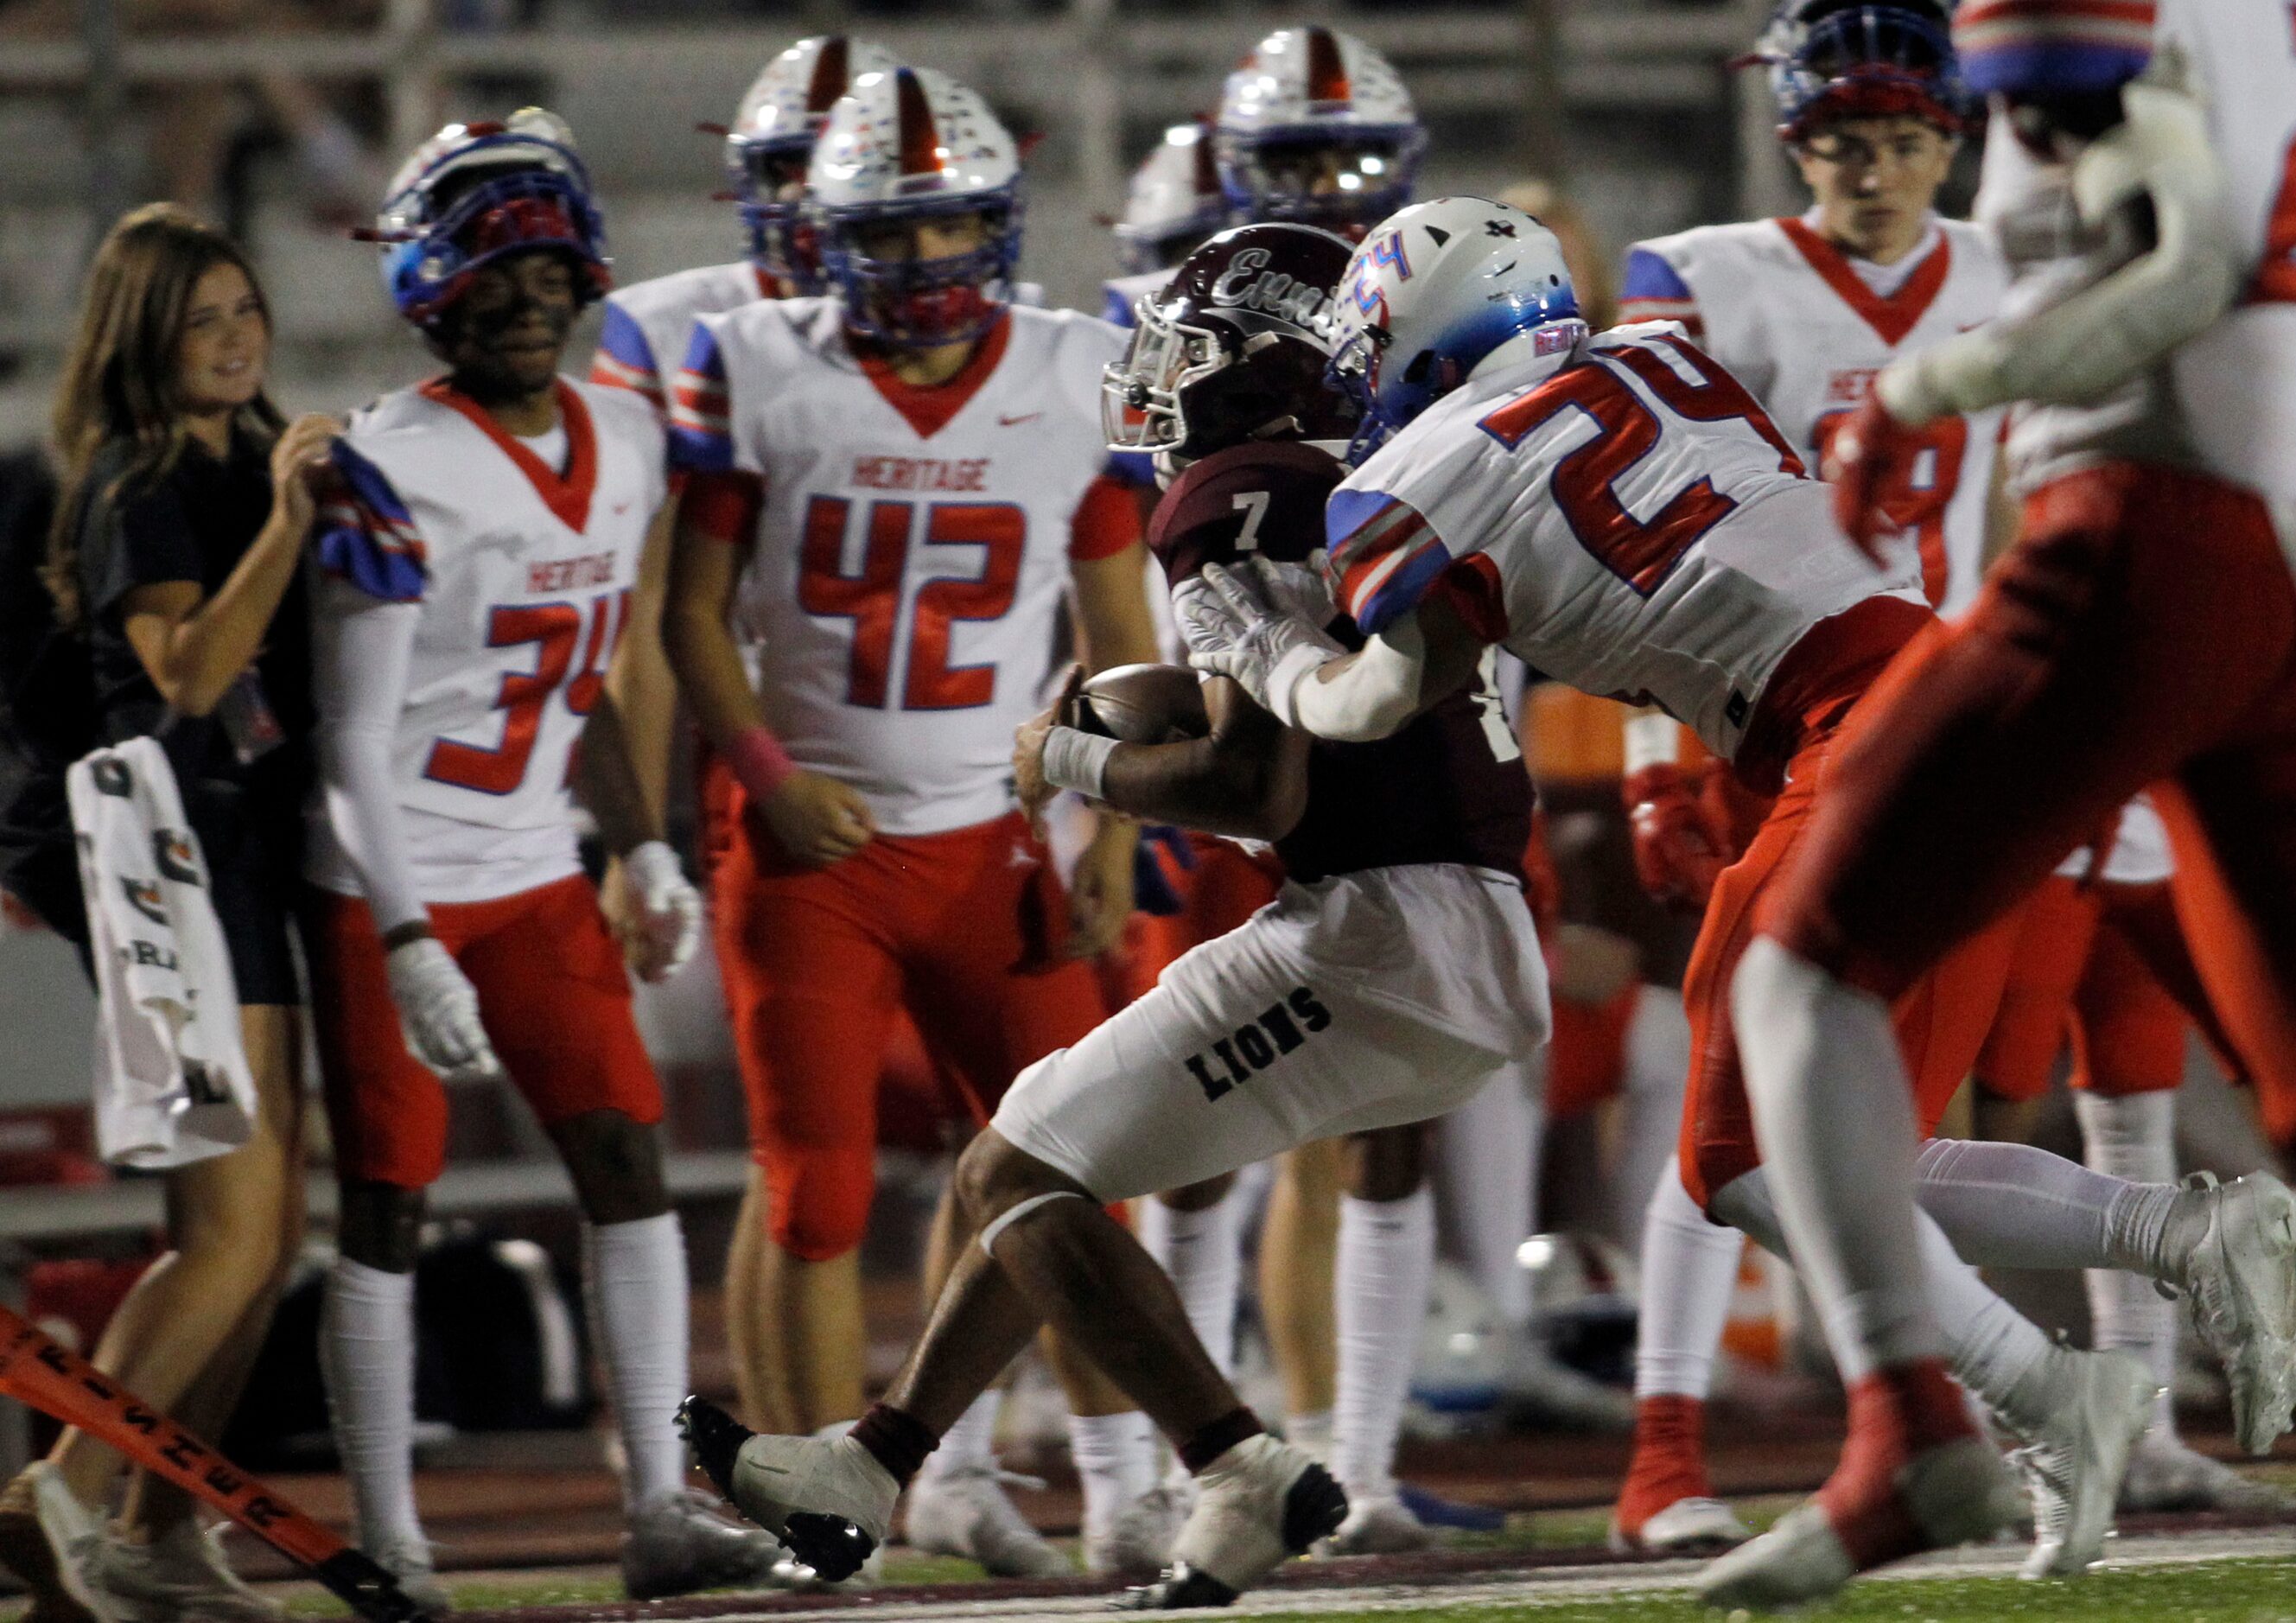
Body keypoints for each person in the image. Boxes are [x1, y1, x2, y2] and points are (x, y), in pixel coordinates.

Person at [1178, 194, 2296, 1588]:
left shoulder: (1403, 486)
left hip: (1841, 731)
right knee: (1836, 1150)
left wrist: (1264, 643)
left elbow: (1373, 704)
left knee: (1744, 1161)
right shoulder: (1664, 358)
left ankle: (2057, 1376)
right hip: (1922, 689)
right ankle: (2164, 1256)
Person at [675, 216, 1552, 1610]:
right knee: (1032, 1158)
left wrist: (1069, 763)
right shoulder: (1369, 474)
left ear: (1264, 368)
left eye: (1190, 350)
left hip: (1382, 932)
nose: (1159, 376)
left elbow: (1251, 783)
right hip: (1445, 923)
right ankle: (874, 1460)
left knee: (1014, 1171)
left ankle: (1237, 1465)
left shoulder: (1238, 488)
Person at [1716, 0, 2296, 1600]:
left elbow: (2182, 257)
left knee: (1799, 970)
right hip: (2253, 548)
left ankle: (1911, 1424)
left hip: (2149, 526)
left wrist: (1926, 389)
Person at [660, 67, 1163, 1580]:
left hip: (990, 839)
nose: (929, 263)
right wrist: (759, 768)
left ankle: (1121, 1478)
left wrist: (1114, 825)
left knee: (1071, 1166)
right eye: (892, 232)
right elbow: (682, 615)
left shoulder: (1080, 364)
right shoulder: (753, 360)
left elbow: (1116, 616)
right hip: (814, 844)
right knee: (812, 1184)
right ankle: (829, 1512)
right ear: (825, 238)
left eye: (951, 226)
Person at [303, 108, 782, 1608]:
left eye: (544, 276)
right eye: (491, 283)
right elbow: (345, 744)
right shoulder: (391, 464)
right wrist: (400, 931)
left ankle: (655, 1500)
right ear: (436, 296)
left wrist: (641, 850)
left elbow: (580, 686)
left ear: (583, 281)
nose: (523, 305)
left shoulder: (626, 438)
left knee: (626, 1161)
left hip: (533, 863)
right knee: (387, 1196)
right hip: (392, 867)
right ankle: (389, 1537)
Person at [1606, 0, 2009, 1555]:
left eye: (1905, 139)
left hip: (1967, 725)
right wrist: (1654, 745)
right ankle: (1663, 1448)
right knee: (1735, 1094)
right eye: (1845, 141)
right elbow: (1628, 502)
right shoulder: (1705, 277)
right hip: (1775, 720)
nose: (1875, 170)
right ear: (1796, 141)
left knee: (1898, 1111)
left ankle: (1914, 1420)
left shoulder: (2004, 273)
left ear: (1948, 141)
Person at [0, 203, 330, 1623]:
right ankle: (59, 1489)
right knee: (230, 1231)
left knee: (271, 1224)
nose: (236, 336)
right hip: (173, 870)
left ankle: (152, 1518)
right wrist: (294, 521)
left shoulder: (236, 458)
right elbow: (191, 672)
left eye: (245, 310)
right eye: (203, 319)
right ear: (144, 337)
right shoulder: (140, 478)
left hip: (242, 858)